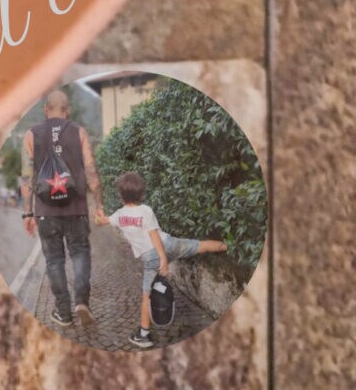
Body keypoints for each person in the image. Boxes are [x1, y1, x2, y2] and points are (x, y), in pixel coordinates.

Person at [108, 169, 229, 348]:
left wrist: (163, 260)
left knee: (146, 296)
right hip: (170, 244)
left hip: (153, 257)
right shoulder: (146, 210)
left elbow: (151, 236)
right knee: (199, 245)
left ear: (120, 195)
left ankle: (143, 335)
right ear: (141, 193)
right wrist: (164, 257)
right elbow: (156, 235)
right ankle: (229, 247)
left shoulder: (119, 215)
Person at [19, 88, 107, 330]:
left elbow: (26, 178)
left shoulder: (30, 134)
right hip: (77, 208)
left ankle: (63, 312)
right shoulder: (78, 131)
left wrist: (28, 213)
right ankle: (82, 302)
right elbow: (91, 170)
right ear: (67, 111)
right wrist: (99, 205)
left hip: (46, 211)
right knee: (79, 253)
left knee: (54, 261)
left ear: (46, 110)